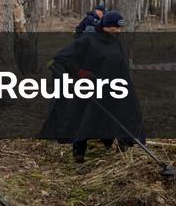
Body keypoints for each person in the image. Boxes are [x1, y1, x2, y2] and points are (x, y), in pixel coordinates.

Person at [42, 11, 143, 164]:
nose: (118, 31)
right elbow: (63, 58)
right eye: (114, 28)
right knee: (85, 118)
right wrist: (79, 72)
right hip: (90, 87)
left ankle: (120, 149)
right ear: (105, 26)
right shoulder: (88, 40)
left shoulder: (116, 41)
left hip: (114, 87)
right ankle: (79, 151)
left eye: (119, 28)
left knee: (123, 115)